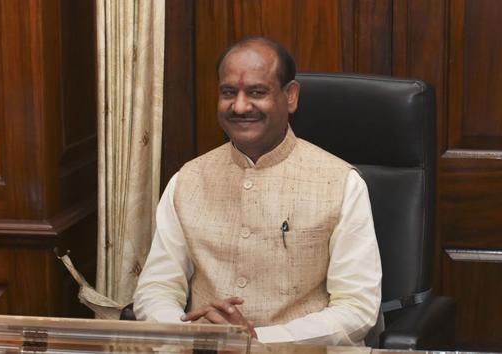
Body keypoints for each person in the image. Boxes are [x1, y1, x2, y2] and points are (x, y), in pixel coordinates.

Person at [133, 36, 381, 346]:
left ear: (290, 96)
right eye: (228, 93)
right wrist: (191, 336)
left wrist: (256, 342)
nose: (239, 106)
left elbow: (357, 310)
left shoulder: (341, 183)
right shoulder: (188, 180)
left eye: (256, 92)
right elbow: (155, 289)